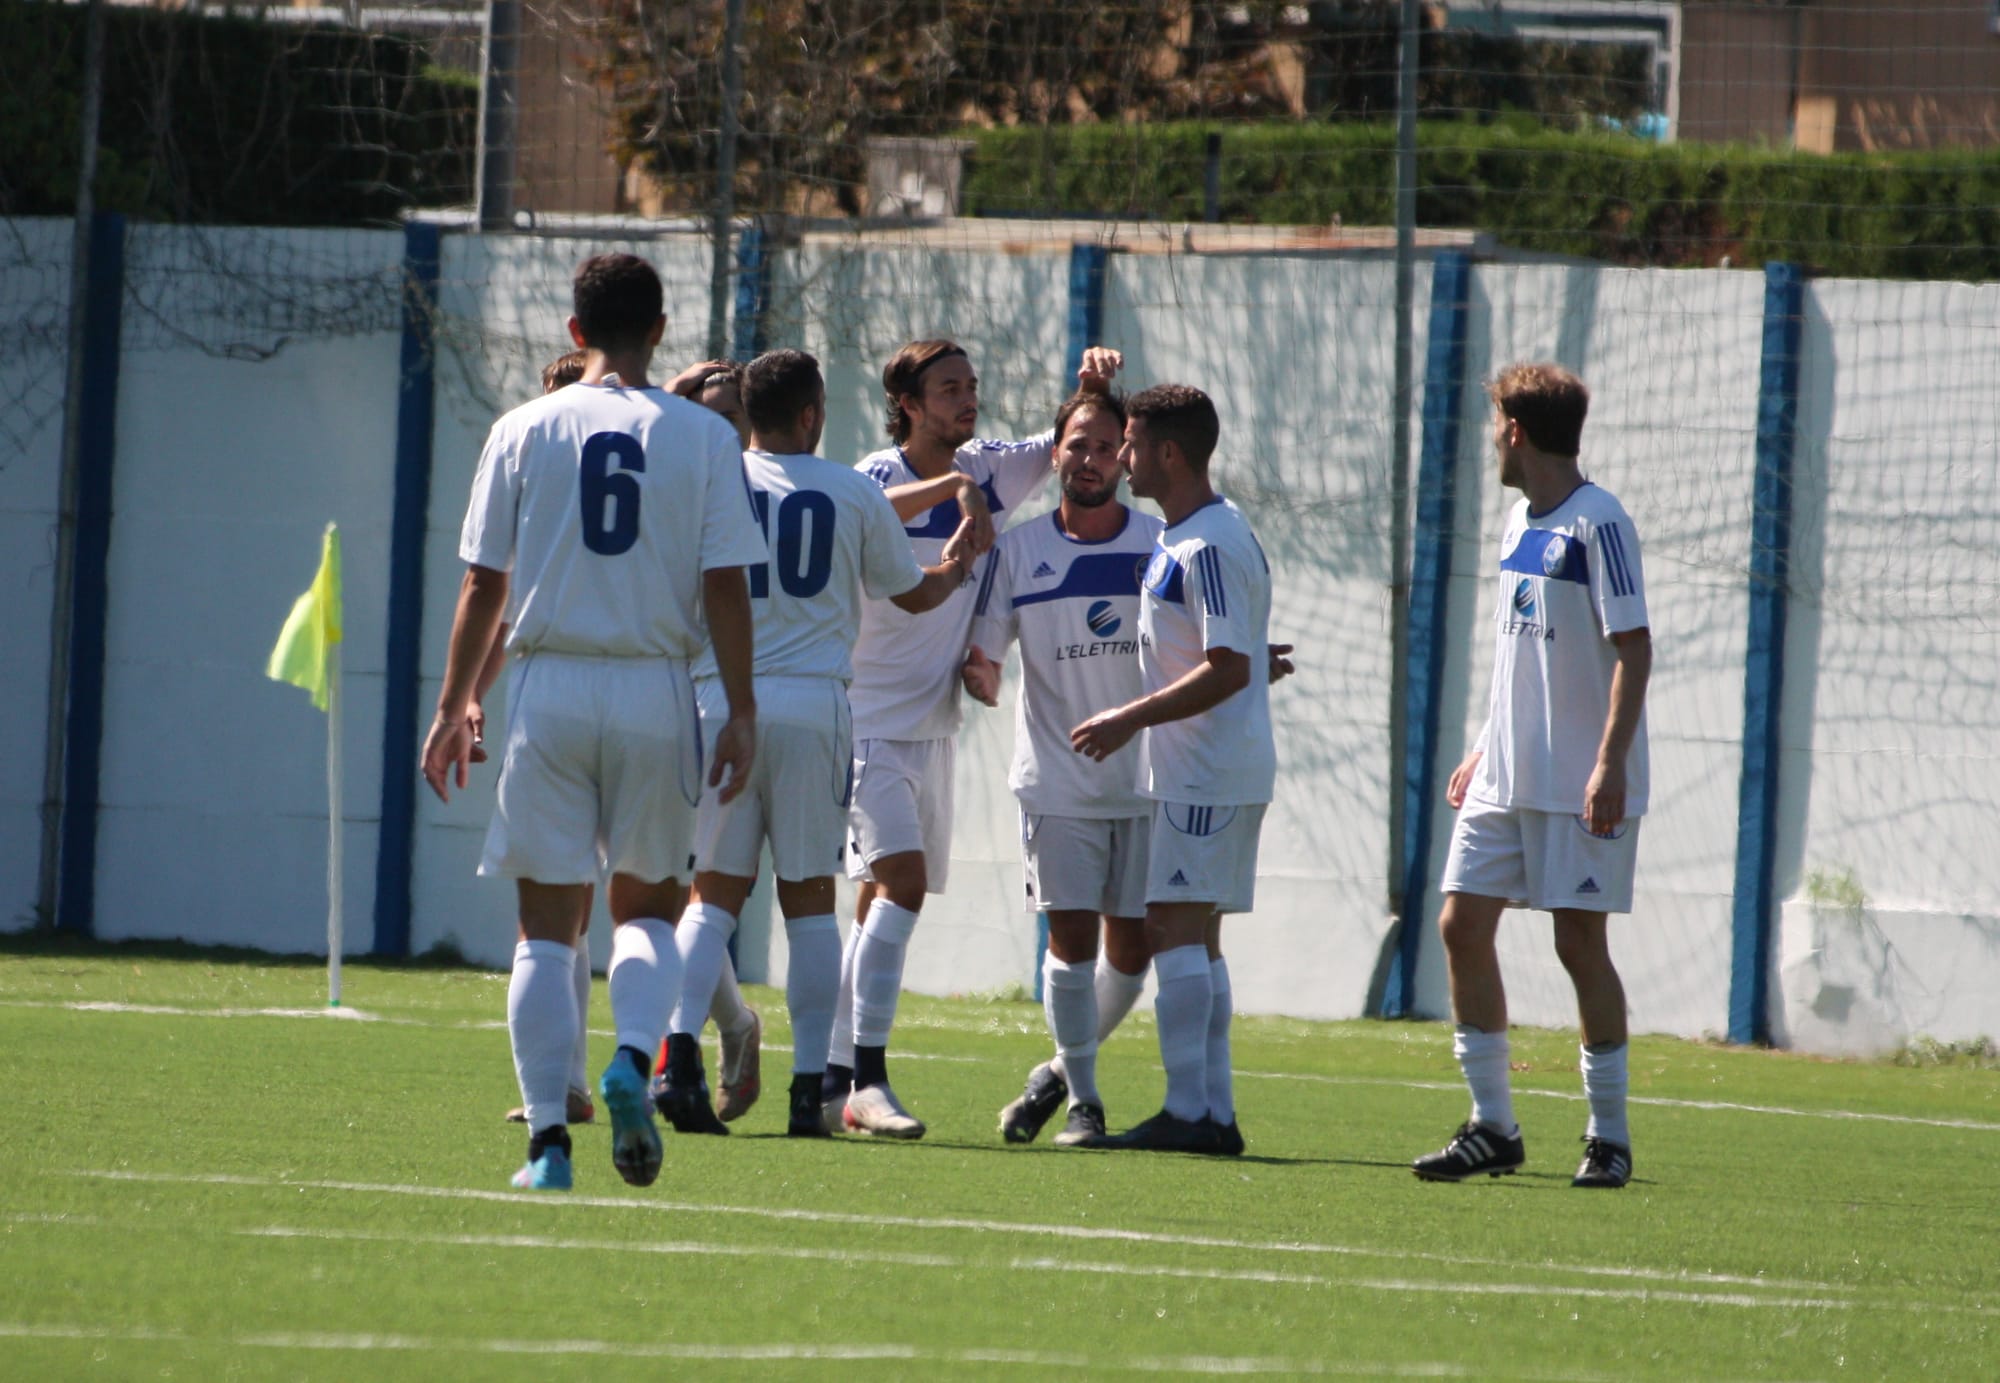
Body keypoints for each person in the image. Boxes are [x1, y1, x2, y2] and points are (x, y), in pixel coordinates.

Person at [421, 252, 767, 1193]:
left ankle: (547, 1149)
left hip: (548, 688)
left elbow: (481, 583)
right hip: (656, 688)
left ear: (574, 335)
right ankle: (631, 1059)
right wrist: (739, 708)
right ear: (661, 330)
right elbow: (726, 583)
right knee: (649, 910)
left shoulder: (524, 428)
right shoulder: (702, 437)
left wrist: (455, 706)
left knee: (545, 926)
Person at [654, 348, 982, 1138]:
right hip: (816, 706)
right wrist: (957, 555)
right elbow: (913, 593)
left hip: (721, 702)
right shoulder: (849, 489)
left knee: (711, 900)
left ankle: (677, 1065)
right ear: (811, 414)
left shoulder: (714, 480)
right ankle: (811, 1092)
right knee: (806, 902)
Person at [826, 339, 1123, 1138]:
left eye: (973, 386)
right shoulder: (874, 477)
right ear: (909, 404)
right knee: (903, 884)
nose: (968, 400)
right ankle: (867, 1078)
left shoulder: (993, 464)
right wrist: (952, 492)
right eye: (949, 389)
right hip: (866, 724)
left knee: (876, 903)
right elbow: (854, 514)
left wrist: (1088, 383)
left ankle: (828, 1075)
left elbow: (1069, 442)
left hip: (932, 729)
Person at [1411, 363, 1650, 1191]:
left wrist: (1610, 762)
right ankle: (1493, 1125)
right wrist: (1482, 743)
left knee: (1578, 943)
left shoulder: (1600, 522)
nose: (1492, 441)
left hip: (1580, 781)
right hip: (1505, 776)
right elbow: (1518, 651)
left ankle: (1609, 1136)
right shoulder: (1518, 520)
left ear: (1515, 430)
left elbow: (1634, 648)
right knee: (1459, 924)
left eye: (1495, 425)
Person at [1070, 384, 1275, 1156]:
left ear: (1167, 453)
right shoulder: (1190, 536)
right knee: (1195, 935)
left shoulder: (1210, 541)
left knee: (1173, 929)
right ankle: (1212, 1112)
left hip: (1207, 769)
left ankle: (1190, 1110)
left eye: (1128, 442)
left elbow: (1225, 667)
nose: (1120, 457)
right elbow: (1229, 652)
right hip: (1201, 767)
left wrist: (1129, 717)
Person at [962, 388, 1160, 1148]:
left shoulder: (1159, 541)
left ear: (1127, 455)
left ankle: (1053, 1071)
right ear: (1056, 453)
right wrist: (979, 674)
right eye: (1077, 445)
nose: (1090, 459)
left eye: (1106, 445)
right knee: (1070, 944)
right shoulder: (1018, 550)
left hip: (1145, 783)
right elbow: (986, 647)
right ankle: (1085, 1100)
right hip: (1056, 782)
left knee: (1133, 954)